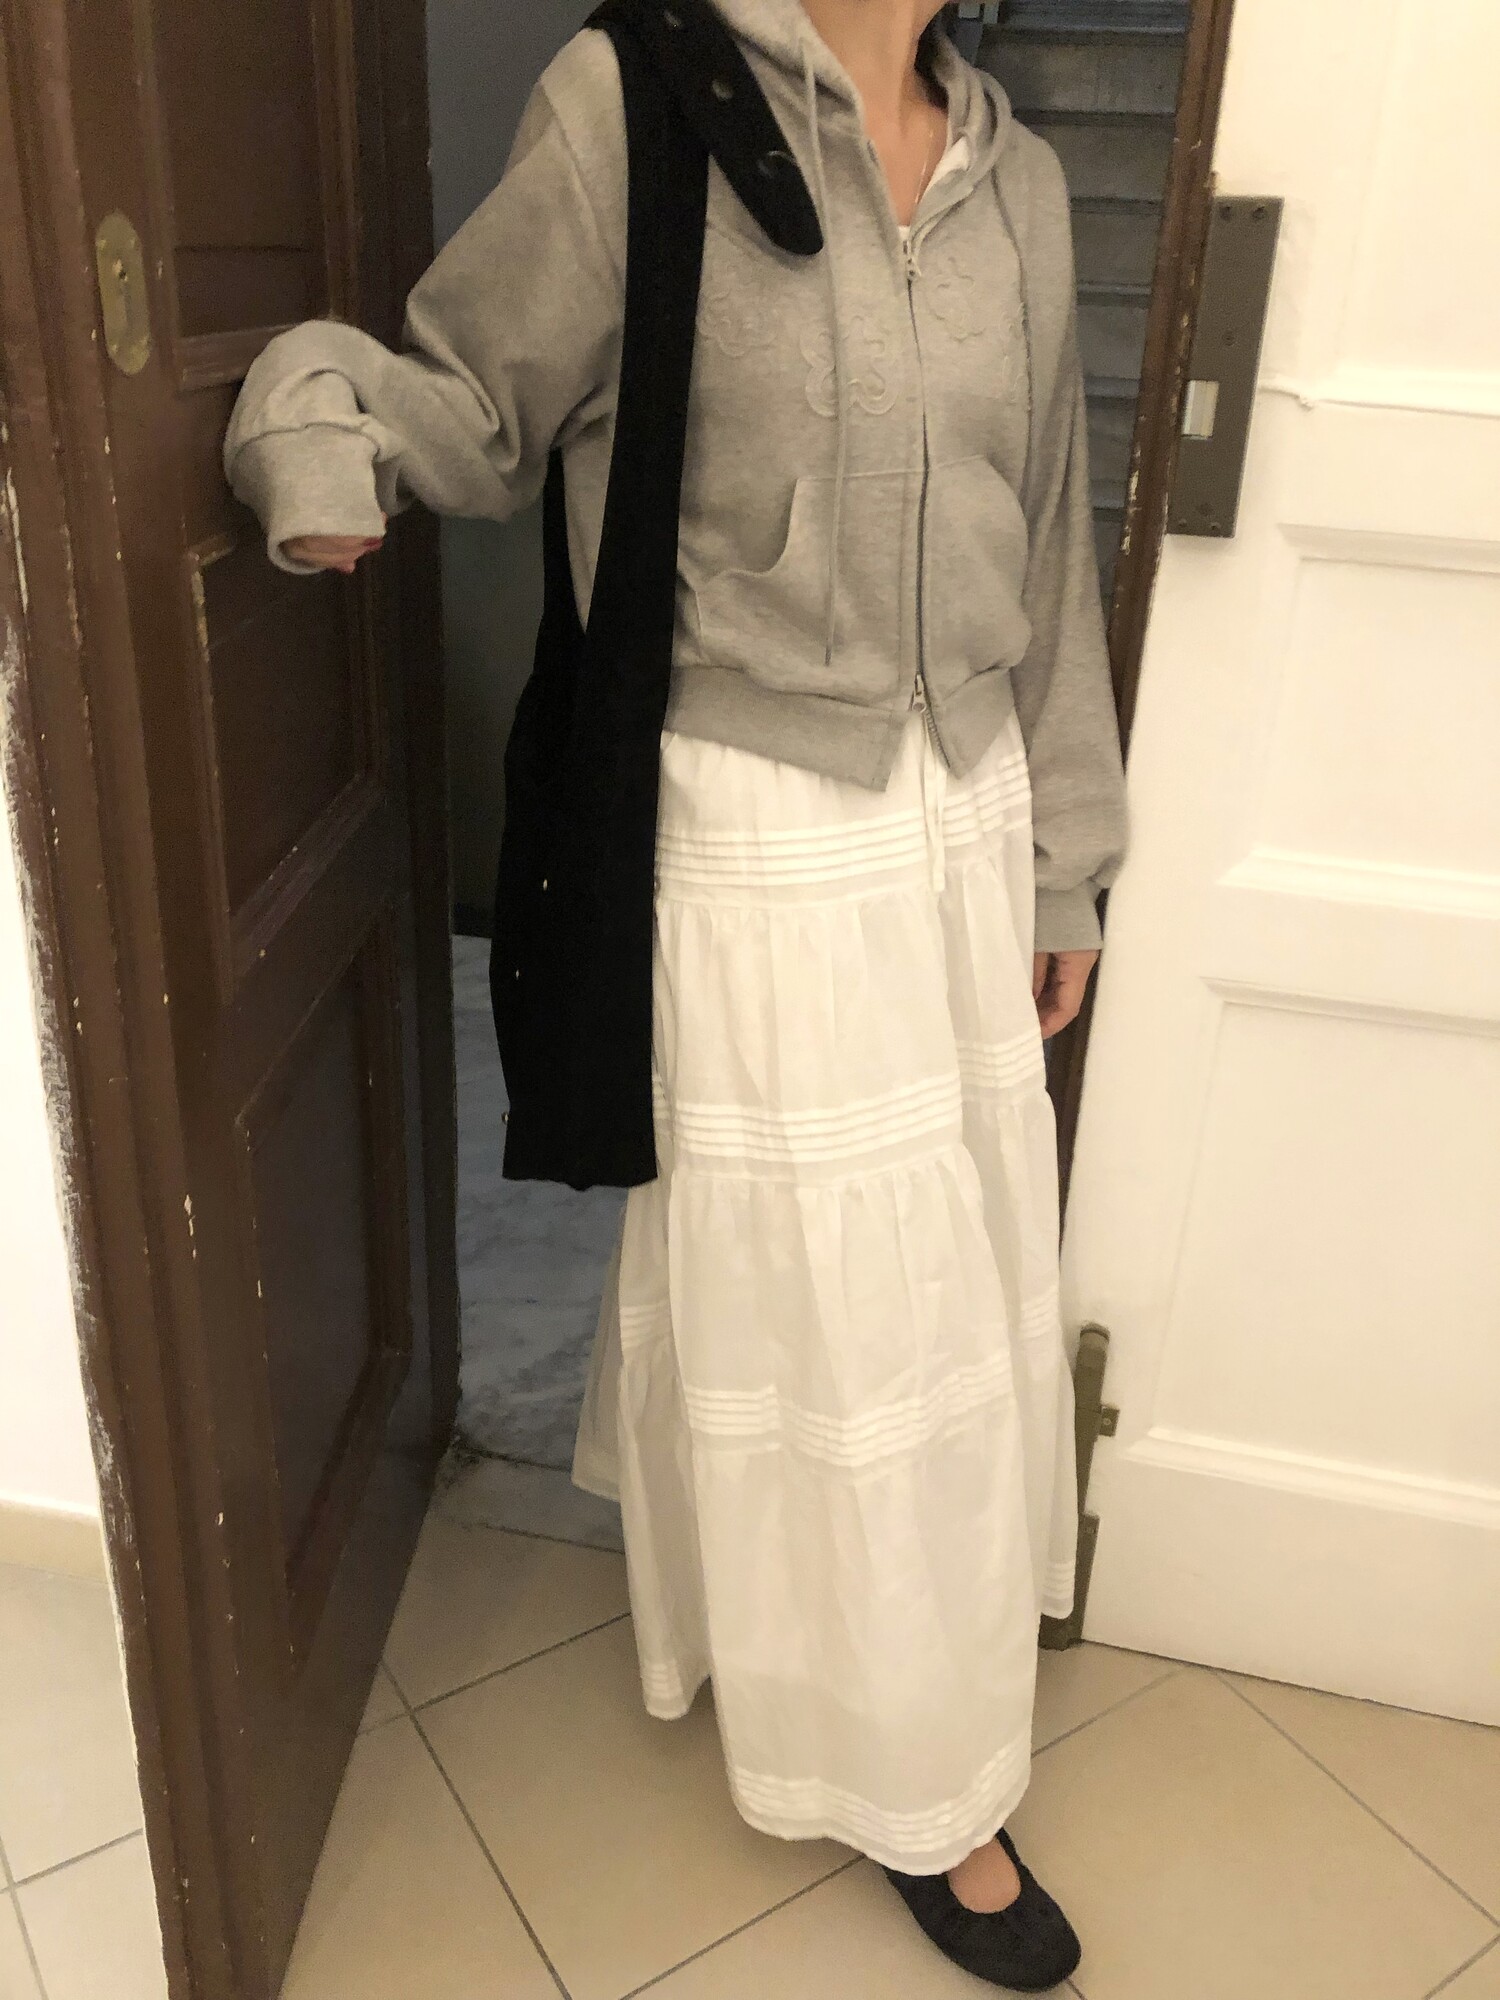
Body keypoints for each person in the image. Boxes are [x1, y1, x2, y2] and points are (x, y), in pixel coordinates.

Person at [225, 0, 1127, 1986]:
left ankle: (862, 1673)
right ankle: (922, 1787)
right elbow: (470, 400)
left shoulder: (1026, 181)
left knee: (937, 1294)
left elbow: (1053, 542)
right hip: (762, 823)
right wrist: (311, 419)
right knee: (828, 1311)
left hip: (967, 810)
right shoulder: (635, 98)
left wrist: (1068, 845)